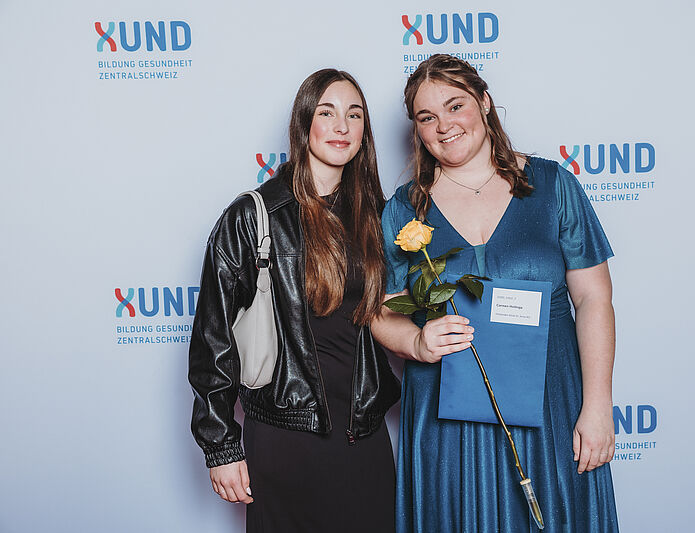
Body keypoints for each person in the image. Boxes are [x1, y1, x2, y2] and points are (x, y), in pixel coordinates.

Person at [371, 54, 619, 532]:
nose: (444, 126)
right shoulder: (404, 209)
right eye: (427, 117)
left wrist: (597, 406)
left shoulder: (553, 185)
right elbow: (381, 311)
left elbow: (594, 299)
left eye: (455, 106)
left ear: (484, 102)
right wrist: (416, 342)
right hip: (447, 414)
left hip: (551, 402)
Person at [188, 69, 400, 532]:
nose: (342, 126)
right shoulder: (254, 216)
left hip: (363, 434)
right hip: (286, 437)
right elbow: (213, 337)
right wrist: (221, 446)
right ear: (305, 123)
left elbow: (392, 314)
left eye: (354, 115)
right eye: (327, 112)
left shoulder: (380, 215)